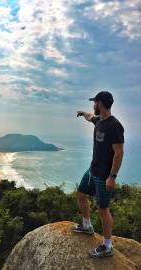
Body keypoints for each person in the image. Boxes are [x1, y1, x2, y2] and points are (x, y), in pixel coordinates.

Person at [73, 91, 124, 258]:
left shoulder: (114, 126)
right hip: (92, 170)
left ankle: (107, 246)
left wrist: (112, 176)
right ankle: (87, 226)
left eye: (94, 103)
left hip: (104, 176)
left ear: (100, 103)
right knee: (81, 194)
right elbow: (89, 117)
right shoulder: (99, 121)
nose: (93, 106)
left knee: (103, 209)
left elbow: (119, 152)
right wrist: (82, 113)